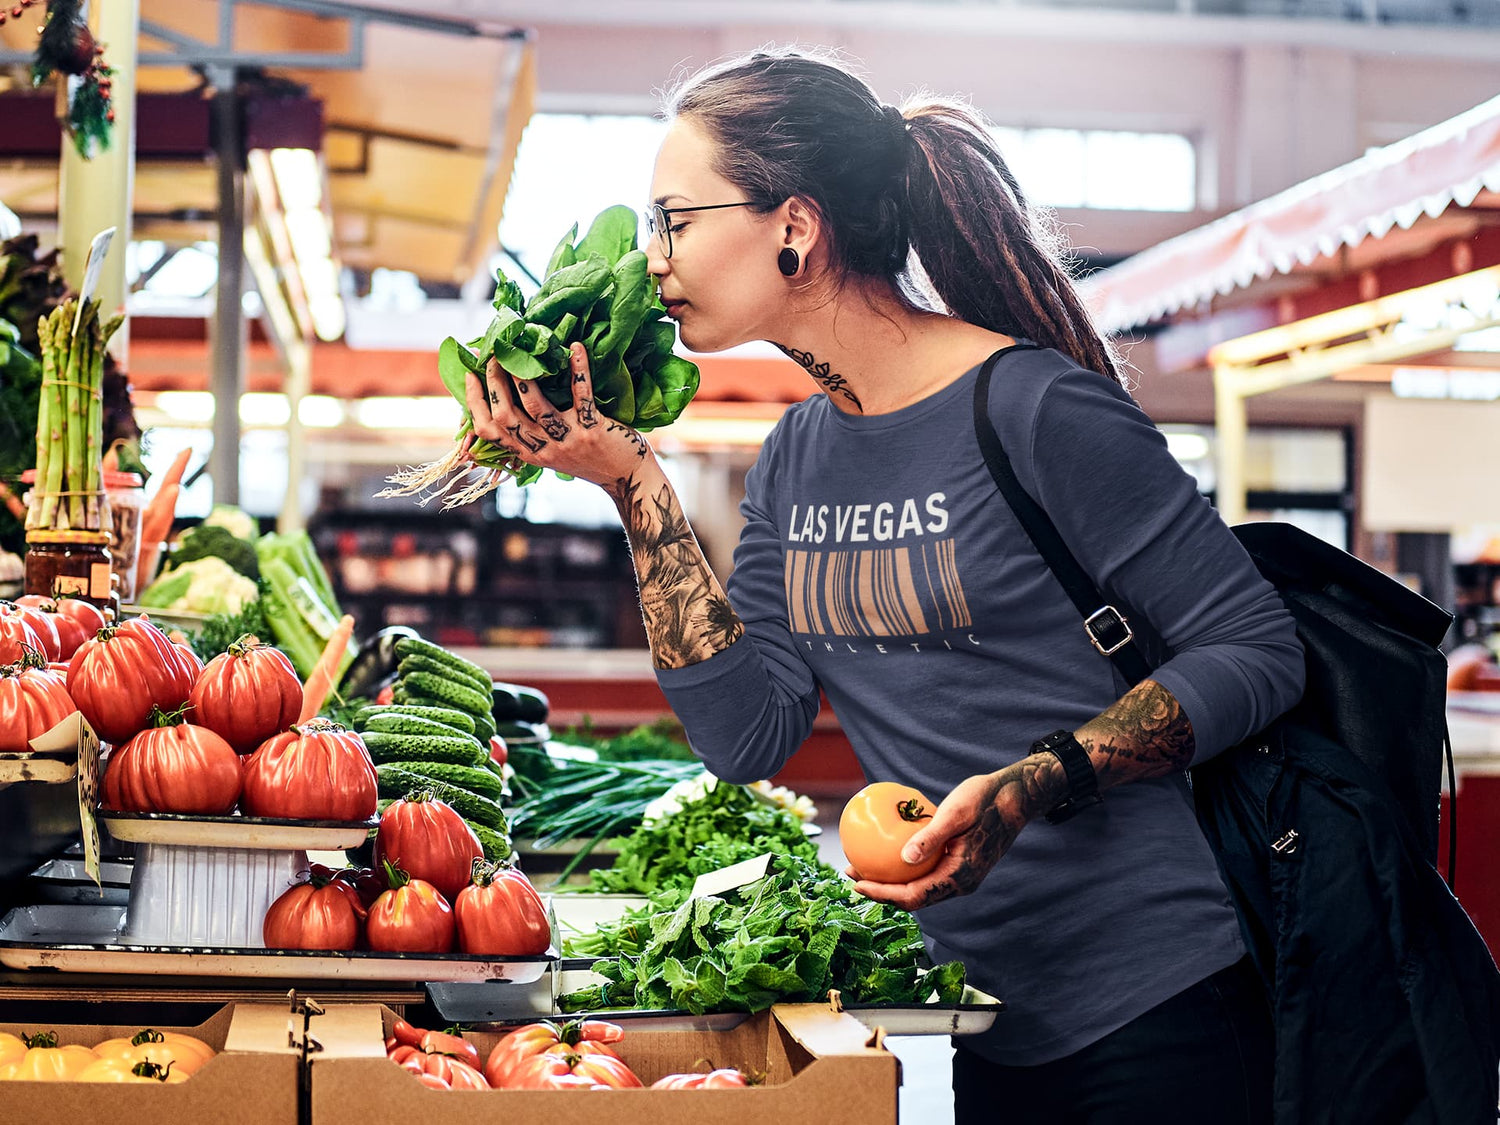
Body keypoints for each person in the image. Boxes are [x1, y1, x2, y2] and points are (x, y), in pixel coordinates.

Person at [464, 46, 1305, 1124]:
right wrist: (636, 487)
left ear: (794, 227)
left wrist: (1031, 785)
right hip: (988, 1014)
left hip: (1164, 1001)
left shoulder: (1035, 408)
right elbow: (749, 735)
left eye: (674, 219)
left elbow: (1257, 650)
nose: (653, 259)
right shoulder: (798, 455)